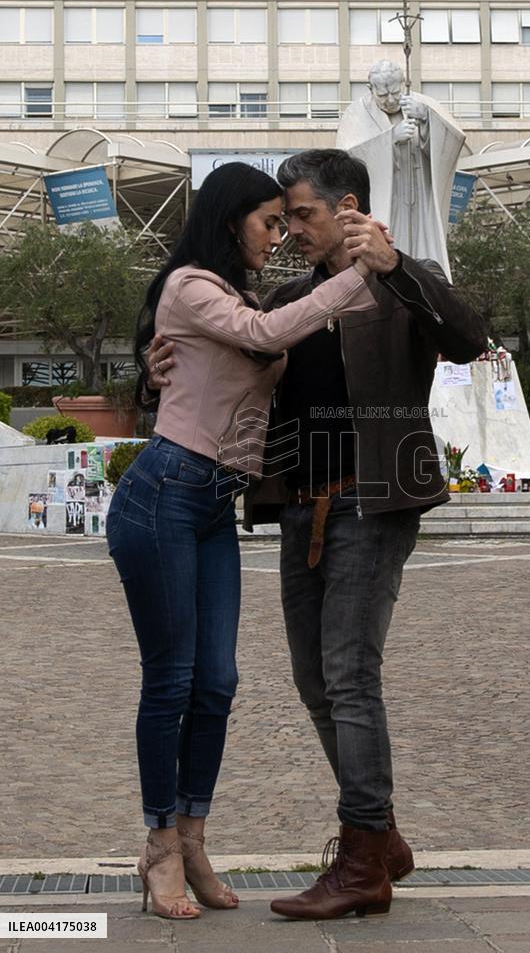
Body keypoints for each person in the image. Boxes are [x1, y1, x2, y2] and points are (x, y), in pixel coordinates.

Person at [145, 149, 486, 921]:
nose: (291, 228)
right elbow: (218, 372)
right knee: (313, 681)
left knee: (348, 676)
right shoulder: (294, 298)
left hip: (374, 498)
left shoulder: (405, 278)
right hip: (299, 505)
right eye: (284, 217)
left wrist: (395, 265)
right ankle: (383, 835)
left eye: (301, 213)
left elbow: (469, 339)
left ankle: (364, 856)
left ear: (347, 207)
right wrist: (153, 367)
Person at [107, 161, 377, 921]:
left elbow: (243, 353)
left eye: (287, 220)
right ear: (231, 220)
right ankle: (160, 845)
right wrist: (357, 271)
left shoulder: (232, 296)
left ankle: (193, 836)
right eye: (268, 221)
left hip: (209, 504)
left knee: (217, 684)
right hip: (162, 492)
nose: (280, 235)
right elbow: (261, 337)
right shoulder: (191, 284)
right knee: (172, 680)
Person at [336, 59, 464, 278]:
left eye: (395, 92)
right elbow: (345, 158)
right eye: (383, 95)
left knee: (424, 249)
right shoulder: (356, 113)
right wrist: (391, 139)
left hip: (421, 197)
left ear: (404, 83)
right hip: (386, 198)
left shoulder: (423, 104)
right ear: (370, 89)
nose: (390, 100)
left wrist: (426, 119)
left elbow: (453, 142)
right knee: (390, 240)